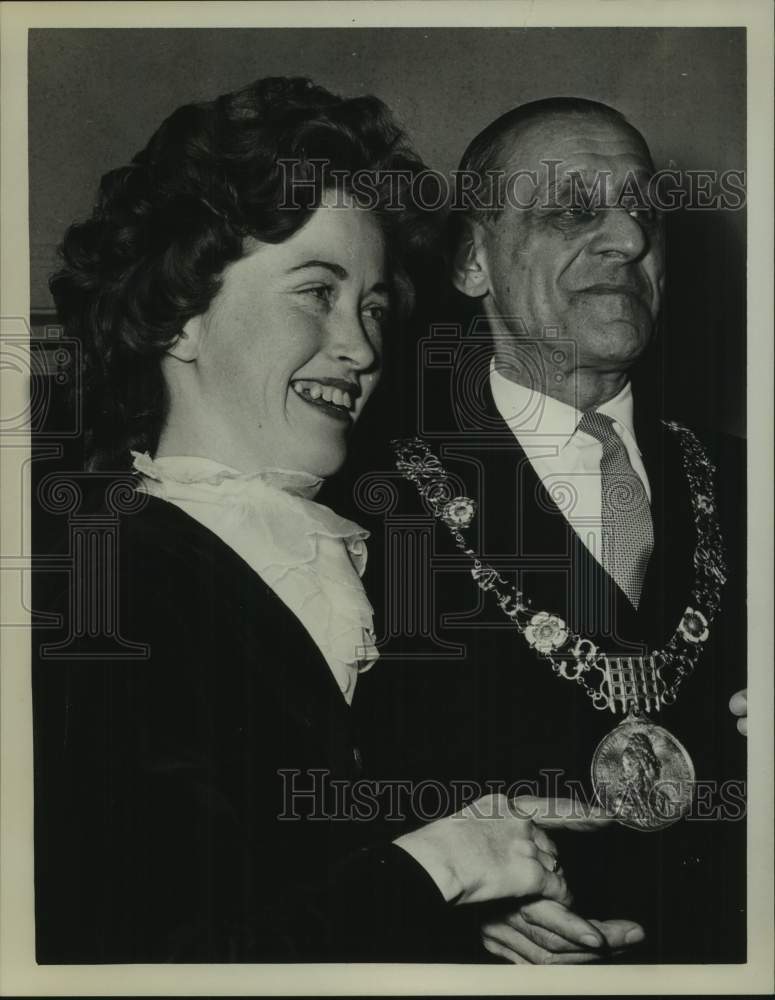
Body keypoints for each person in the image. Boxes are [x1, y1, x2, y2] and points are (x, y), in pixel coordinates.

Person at [31, 78, 619, 965]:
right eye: (317, 292)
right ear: (177, 312)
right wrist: (441, 866)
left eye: (374, 305)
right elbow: (134, 957)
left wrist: (479, 908)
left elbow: (306, 878)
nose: (362, 346)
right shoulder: (93, 577)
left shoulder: (372, 556)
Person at [354, 98, 747, 963]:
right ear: (470, 261)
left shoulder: (749, 486)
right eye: (572, 210)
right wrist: (446, 898)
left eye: (643, 212)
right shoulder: (367, 495)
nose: (628, 240)